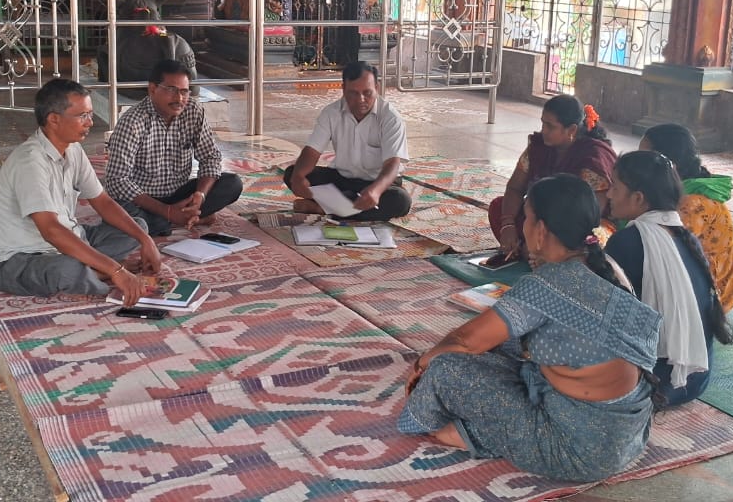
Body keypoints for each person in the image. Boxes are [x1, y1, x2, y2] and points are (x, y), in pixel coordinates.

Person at [399, 174, 661, 483]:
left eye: (527, 217)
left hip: (575, 450)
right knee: (506, 344)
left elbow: (465, 341)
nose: (523, 227)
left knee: (445, 369)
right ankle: (482, 434)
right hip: (628, 438)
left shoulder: (548, 285)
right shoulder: (610, 268)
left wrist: (421, 365)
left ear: (541, 229)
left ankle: (445, 427)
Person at [0, 78, 161, 307]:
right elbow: (51, 231)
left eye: (90, 114)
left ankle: (94, 268)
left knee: (137, 226)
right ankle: (99, 270)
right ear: (54, 119)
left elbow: (103, 202)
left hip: (72, 237)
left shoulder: (73, 149)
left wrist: (145, 240)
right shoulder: (30, 162)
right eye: (82, 116)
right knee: (65, 269)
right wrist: (116, 269)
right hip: (24, 257)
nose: (90, 122)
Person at [605, 151, 733, 408]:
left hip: (654, 385)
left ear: (638, 198)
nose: (608, 194)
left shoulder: (626, 242)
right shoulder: (685, 236)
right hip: (695, 379)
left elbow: (602, 314)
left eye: (615, 187)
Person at [105, 59, 243, 235]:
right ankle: (185, 219)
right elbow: (117, 181)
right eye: (171, 90)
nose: (179, 99)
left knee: (232, 184)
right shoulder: (133, 122)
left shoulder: (193, 111)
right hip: (144, 199)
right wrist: (167, 211)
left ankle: (179, 217)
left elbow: (211, 158)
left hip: (180, 195)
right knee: (123, 214)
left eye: (184, 91)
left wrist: (200, 196)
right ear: (152, 89)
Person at [490, 95, 617, 260]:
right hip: (542, 223)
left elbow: (588, 218)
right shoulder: (538, 148)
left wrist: (545, 243)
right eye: (543, 123)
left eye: (550, 126)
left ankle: (540, 255)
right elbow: (515, 188)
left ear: (571, 130)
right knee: (499, 207)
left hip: (575, 228)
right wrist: (508, 225)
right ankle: (528, 251)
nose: (544, 130)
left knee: (595, 239)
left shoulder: (593, 159)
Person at [283, 60, 412, 222]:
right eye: (353, 93)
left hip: (378, 183)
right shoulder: (331, 113)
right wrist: (299, 176)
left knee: (400, 201)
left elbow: (392, 164)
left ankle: (321, 208)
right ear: (343, 89)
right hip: (342, 179)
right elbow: (312, 150)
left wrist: (376, 191)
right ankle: (345, 207)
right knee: (292, 173)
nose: (361, 99)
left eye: (367, 93)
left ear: (377, 88)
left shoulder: (390, 118)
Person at [640, 124, 733, 313]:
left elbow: (662, 253)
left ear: (670, 165)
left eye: (644, 159)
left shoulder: (693, 204)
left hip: (709, 295)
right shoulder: (677, 189)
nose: (637, 164)